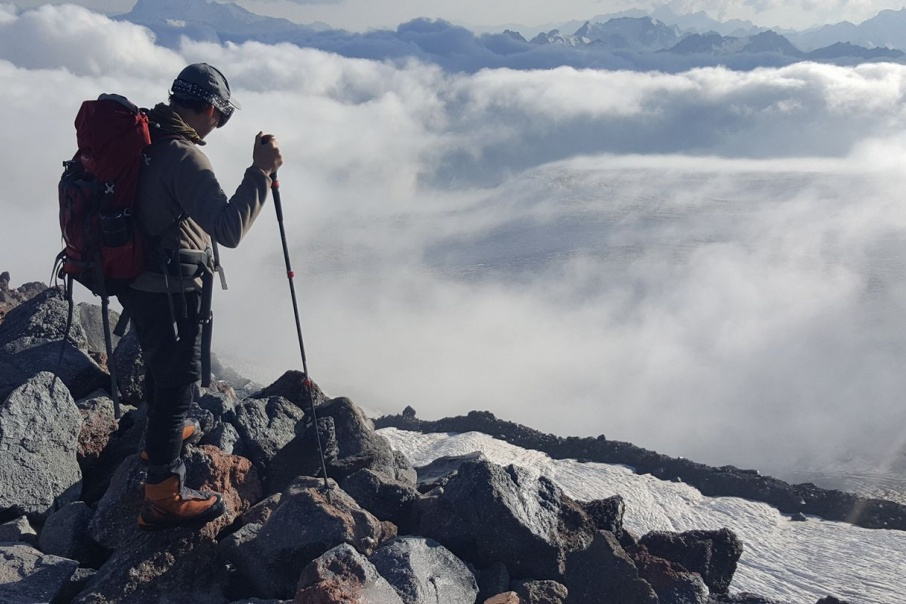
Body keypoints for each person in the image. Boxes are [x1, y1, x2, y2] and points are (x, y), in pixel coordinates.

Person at [118, 63, 283, 531]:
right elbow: (228, 229)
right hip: (169, 289)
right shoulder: (184, 156)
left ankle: (158, 440)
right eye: (222, 117)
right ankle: (162, 496)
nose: (219, 125)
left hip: (136, 280)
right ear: (209, 110)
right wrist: (260, 173)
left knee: (159, 362)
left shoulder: (145, 137)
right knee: (175, 384)